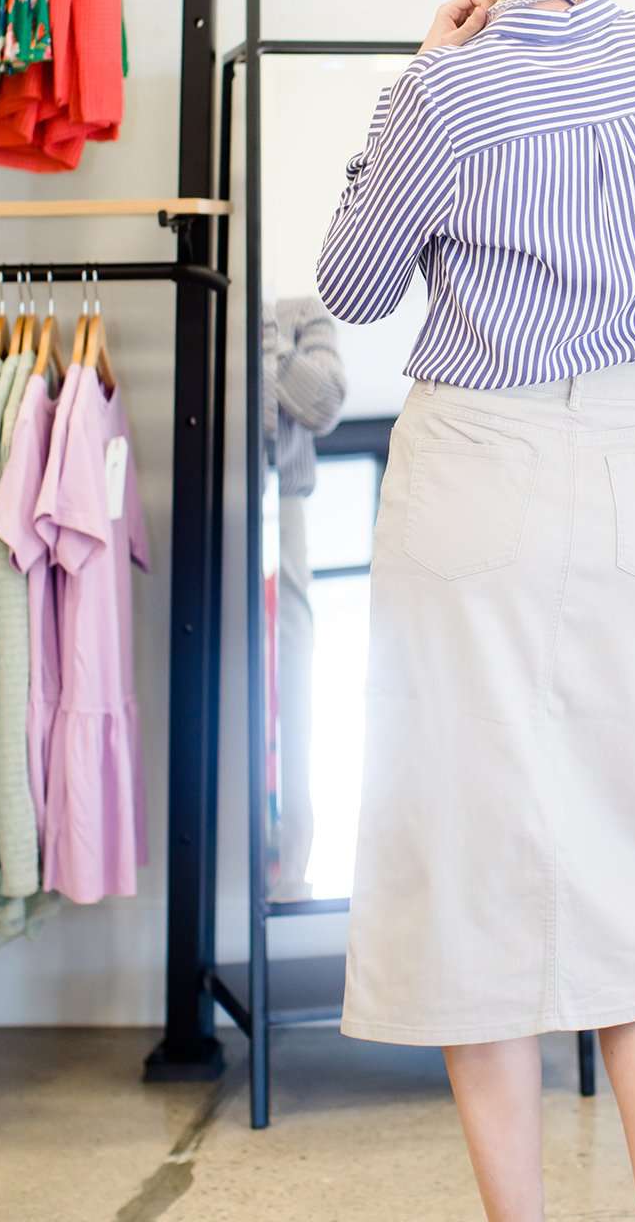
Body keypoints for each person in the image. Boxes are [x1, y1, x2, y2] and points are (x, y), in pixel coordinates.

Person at [315, 0, 635, 1221]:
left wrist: (403, 93)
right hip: (628, 462)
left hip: (480, 470)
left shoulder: (443, 93)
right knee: (626, 839)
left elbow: (357, 288)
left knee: (473, 850)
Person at [261, 296, 346, 901]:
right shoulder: (218, 309)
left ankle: (292, 865)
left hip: (285, 506)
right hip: (222, 502)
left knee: (294, 675)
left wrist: (265, 341)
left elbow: (322, 404)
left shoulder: (301, 312)